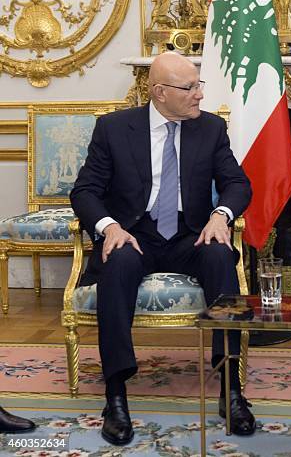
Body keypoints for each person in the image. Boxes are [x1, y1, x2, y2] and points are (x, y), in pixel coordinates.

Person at [71, 52, 253, 445]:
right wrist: (110, 227)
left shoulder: (210, 128)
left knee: (221, 255)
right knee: (116, 262)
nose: (200, 95)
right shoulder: (115, 129)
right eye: (190, 87)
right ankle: (115, 395)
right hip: (135, 232)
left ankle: (231, 389)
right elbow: (85, 191)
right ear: (159, 92)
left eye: (199, 84)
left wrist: (221, 215)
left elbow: (238, 184)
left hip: (191, 233)